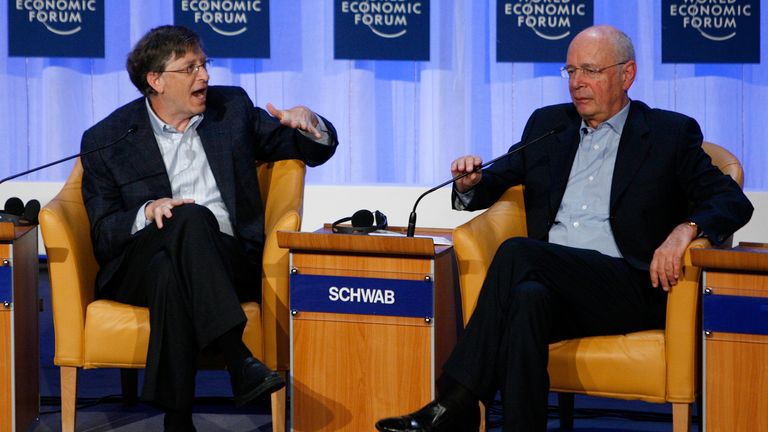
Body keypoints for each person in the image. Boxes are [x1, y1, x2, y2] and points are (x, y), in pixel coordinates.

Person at [375, 25, 753, 432]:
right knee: (526, 298)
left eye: (590, 70)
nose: (577, 84)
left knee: (519, 253)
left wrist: (685, 230)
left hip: (629, 283)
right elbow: (496, 178)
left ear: (627, 75)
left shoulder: (668, 133)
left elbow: (731, 200)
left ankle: (458, 399)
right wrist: (470, 183)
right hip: (556, 284)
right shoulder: (548, 126)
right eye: (570, 71)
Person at [80, 25, 338, 431]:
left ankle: (177, 418)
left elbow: (307, 149)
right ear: (156, 80)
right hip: (137, 266)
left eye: (204, 64)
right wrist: (147, 211)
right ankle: (237, 359)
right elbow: (103, 234)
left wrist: (310, 122)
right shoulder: (108, 139)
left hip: (227, 257)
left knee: (175, 263)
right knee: (183, 220)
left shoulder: (230, 110)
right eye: (190, 68)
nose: (204, 76)